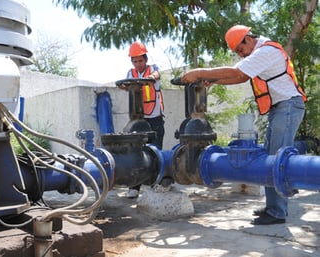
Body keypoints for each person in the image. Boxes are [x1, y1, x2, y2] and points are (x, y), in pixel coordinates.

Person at [176, 25, 306, 225]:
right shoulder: (260, 52)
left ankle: (278, 212)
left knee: (276, 158)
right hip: (281, 108)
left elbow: (239, 73)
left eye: (240, 49)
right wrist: (214, 80)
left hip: (288, 106)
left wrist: (200, 72)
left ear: (248, 39)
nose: (240, 55)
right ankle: (273, 207)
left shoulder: (266, 51)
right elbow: (240, 77)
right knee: (270, 157)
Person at [125, 41, 165, 199]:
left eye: (140, 60)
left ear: (145, 59)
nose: (138, 64)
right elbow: (126, 84)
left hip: (155, 118)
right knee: (136, 152)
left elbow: (156, 75)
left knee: (155, 151)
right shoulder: (131, 73)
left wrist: (149, 78)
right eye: (135, 61)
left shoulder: (153, 69)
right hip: (139, 119)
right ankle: (134, 187)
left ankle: (156, 182)